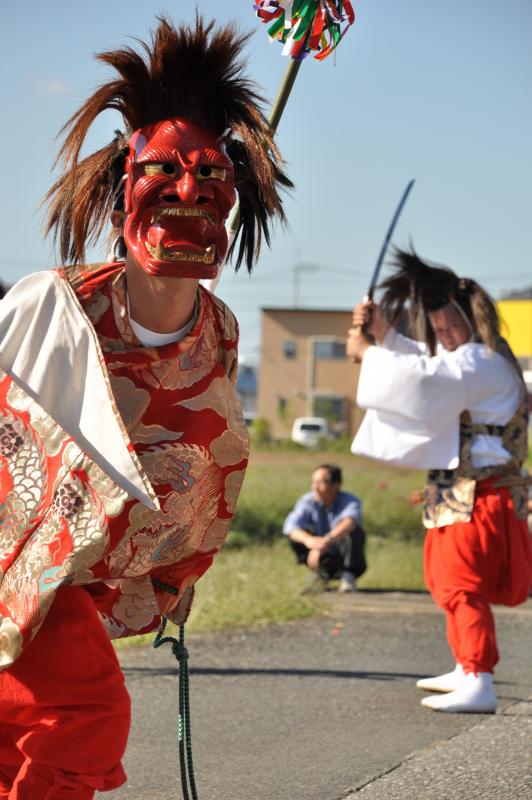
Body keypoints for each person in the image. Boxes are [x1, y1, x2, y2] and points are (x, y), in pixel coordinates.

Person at [0, 15, 291, 798]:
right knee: (82, 716)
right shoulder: (51, 307)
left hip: (77, 583)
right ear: (123, 188)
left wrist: (172, 569)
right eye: (163, 170)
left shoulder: (220, 332)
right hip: (15, 566)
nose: (189, 189)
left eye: (208, 174)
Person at [347, 248, 532, 714]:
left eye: (451, 327)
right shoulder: (472, 359)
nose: (444, 337)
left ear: (474, 321)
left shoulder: (480, 361)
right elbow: (424, 365)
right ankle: (465, 666)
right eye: (439, 330)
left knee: (462, 585)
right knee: (444, 580)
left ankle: (480, 676)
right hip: (459, 490)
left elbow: (426, 379)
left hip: (482, 492)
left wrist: (369, 350)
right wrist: (382, 334)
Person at [283, 464, 366, 593]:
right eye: (313, 482)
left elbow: (349, 522)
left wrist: (325, 541)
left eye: (320, 482)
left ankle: (348, 576)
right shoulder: (307, 501)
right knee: (296, 537)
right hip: (322, 554)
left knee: (353, 531)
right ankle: (322, 574)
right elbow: (291, 526)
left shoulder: (350, 501)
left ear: (335, 485)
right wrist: (309, 541)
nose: (314, 487)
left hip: (342, 552)